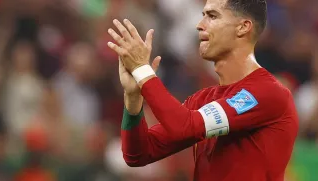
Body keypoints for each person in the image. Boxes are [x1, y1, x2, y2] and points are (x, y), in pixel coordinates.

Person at [107, 0, 299, 180]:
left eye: (212, 16)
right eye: (203, 15)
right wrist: (133, 98)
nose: (200, 25)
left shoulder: (269, 92)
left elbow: (185, 127)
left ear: (243, 27)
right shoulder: (203, 100)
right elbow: (138, 154)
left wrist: (143, 70)